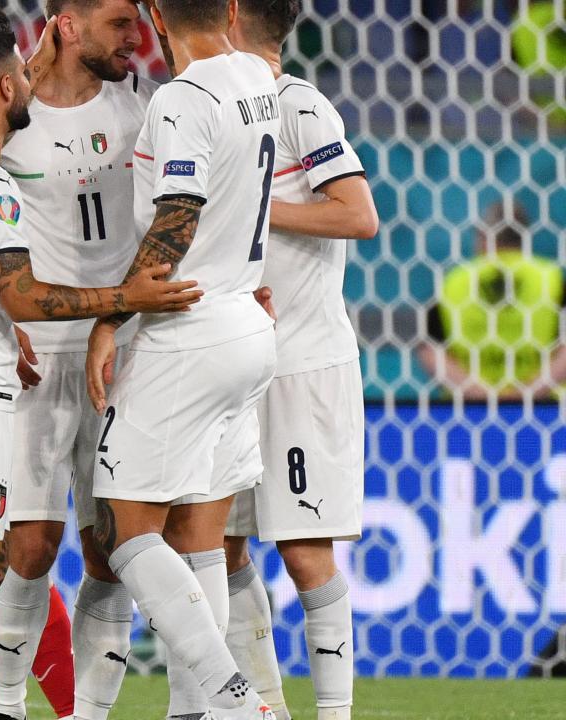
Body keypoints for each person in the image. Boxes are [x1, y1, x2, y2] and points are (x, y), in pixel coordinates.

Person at [0, 22, 202, 720]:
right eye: (19, 77)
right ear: (5, 87)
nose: (29, 79)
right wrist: (125, 298)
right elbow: (22, 295)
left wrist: (20, 67)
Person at [83, 0, 283, 717]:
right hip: (246, 325)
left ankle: (237, 703)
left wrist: (112, 315)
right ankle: (192, 712)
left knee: (122, 529)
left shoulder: (182, 98)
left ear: (156, 17)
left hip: (189, 327)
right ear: (230, 8)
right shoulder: (259, 79)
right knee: (200, 535)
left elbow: (178, 214)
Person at [0, 2, 158, 718]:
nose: (135, 38)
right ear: (67, 24)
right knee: (28, 545)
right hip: (36, 351)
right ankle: (6, 707)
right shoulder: (8, 114)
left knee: (111, 551)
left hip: (124, 348)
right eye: (119, 22)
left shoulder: (146, 107)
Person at [216, 2, 379, 720]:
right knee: (221, 545)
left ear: (231, 16)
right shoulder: (215, 108)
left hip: (303, 362)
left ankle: (335, 715)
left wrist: (253, 209)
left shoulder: (298, 105)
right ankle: (266, 709)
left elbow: (358, 214)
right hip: (230, 361)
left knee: (305, 554)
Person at [417, 201, 565, 401]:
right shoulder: (551, 278)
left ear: (484, 236)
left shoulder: (455, 280)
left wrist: (481, 394)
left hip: (466, 409)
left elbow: (429, 349)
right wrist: (527, 392)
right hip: (544, 408)